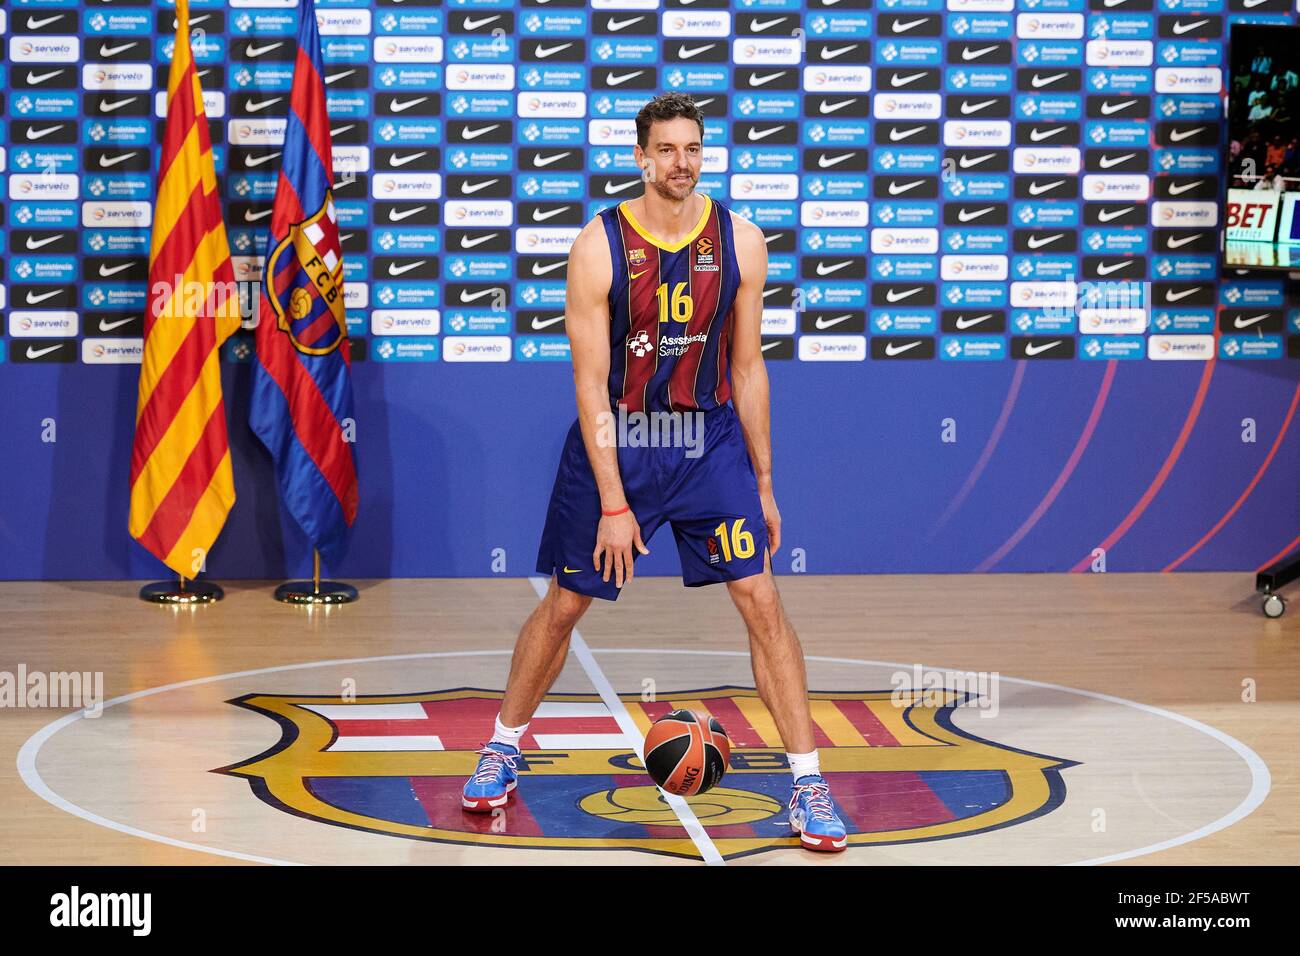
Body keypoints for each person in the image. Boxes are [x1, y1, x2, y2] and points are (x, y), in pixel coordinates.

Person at [457, 92, 848, 852]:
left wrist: (764, 482)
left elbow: (747, 366)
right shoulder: (599, 246)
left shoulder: (741, 240)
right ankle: (503, 745)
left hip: (708, 443)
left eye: (692, 149)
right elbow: (587, 382)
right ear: (641, 157)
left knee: (762, 600)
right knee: (567, 604)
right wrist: (612, 500)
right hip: (623, 439)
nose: (681, 162)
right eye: (665, 150)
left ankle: (808, 783)